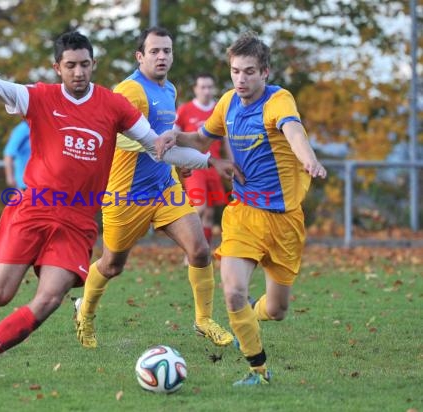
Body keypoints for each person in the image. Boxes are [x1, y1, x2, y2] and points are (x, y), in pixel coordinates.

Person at [0, 31, 229, 385]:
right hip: (36, 209)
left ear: (94, 65)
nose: (78, 72)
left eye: (84, 65)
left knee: (50, 299)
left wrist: (209, 162)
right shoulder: (40, 97)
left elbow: (157, 147)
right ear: (57, 67)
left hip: (77, 221)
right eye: (70, 65)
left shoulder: (113, 105)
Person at [164, 31, 327, 386]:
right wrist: (173, 137)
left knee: (277, 310)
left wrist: (309, 159)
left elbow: (294, 130)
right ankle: (258, 371)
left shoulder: (278, 100)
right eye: (236, 71)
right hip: (243, 212)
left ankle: (252, 316)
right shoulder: (227, 103)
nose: (241, 79)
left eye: (249, 71)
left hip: (284, 221)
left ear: (265, 72)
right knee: (233, 290)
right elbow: (202, 139)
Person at [74, 27, 233, 350]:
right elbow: (140, 143)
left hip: (164, 188)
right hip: (125, 195)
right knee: (111, 265)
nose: (162, 57)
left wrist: (176, 163)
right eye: (155, 51)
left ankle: (203, 320)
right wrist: (206, 161)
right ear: (140, 56)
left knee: (200, 251)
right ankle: (85, 313)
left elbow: (163, 142)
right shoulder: (130, 92)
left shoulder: (169, 89)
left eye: (167, 51)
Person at [175, 73, 226, 250]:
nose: (206, 91)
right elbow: (174, 136)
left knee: (210, 214)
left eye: (210, 87)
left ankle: (203, 252)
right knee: (200, 208)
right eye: (202, 87)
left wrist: (232, 162)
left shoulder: (220, 109)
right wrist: (179, 160)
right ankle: (190, 250)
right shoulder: (185, 110)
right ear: (195, 89)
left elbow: (227, 140)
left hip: (215, 166)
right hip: (194, 166)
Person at [3, 120, 31, 190]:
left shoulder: (37, 128)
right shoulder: (23, 129)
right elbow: (8, 154)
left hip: (38, 180)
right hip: (24, 182)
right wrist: (10, 177)